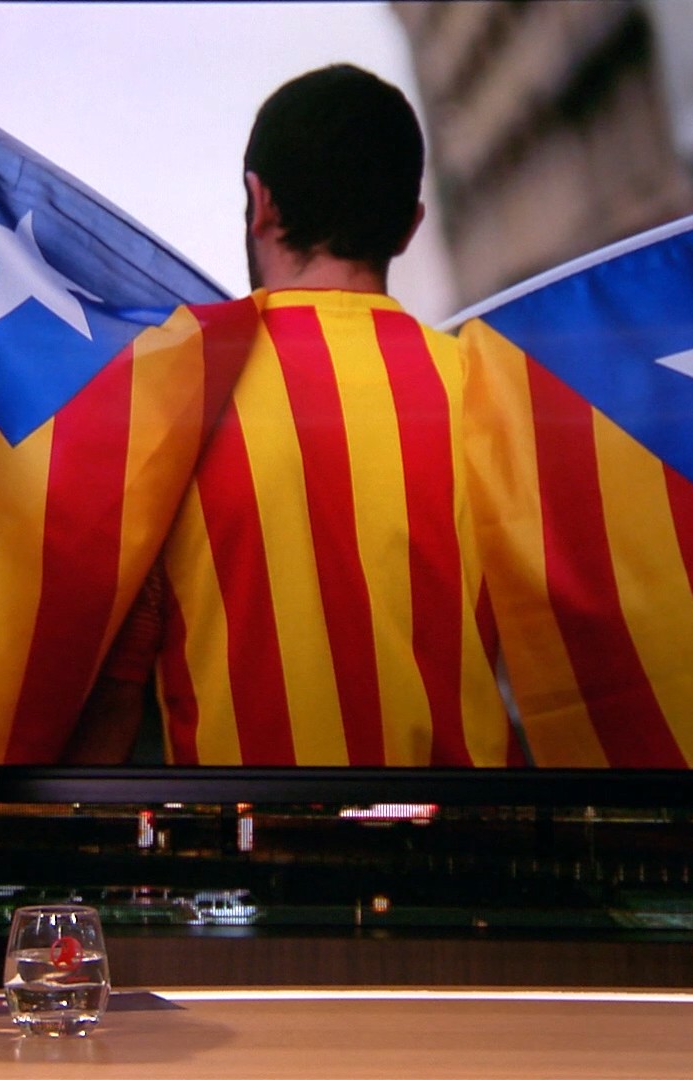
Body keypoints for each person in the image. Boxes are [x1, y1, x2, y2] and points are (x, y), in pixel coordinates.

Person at [75, 65, 509, 767]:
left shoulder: (176, 389)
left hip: (246, 829)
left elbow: (111, 699)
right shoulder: (490, 392)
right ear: (409, 226)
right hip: (465, 829)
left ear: (260, 203)